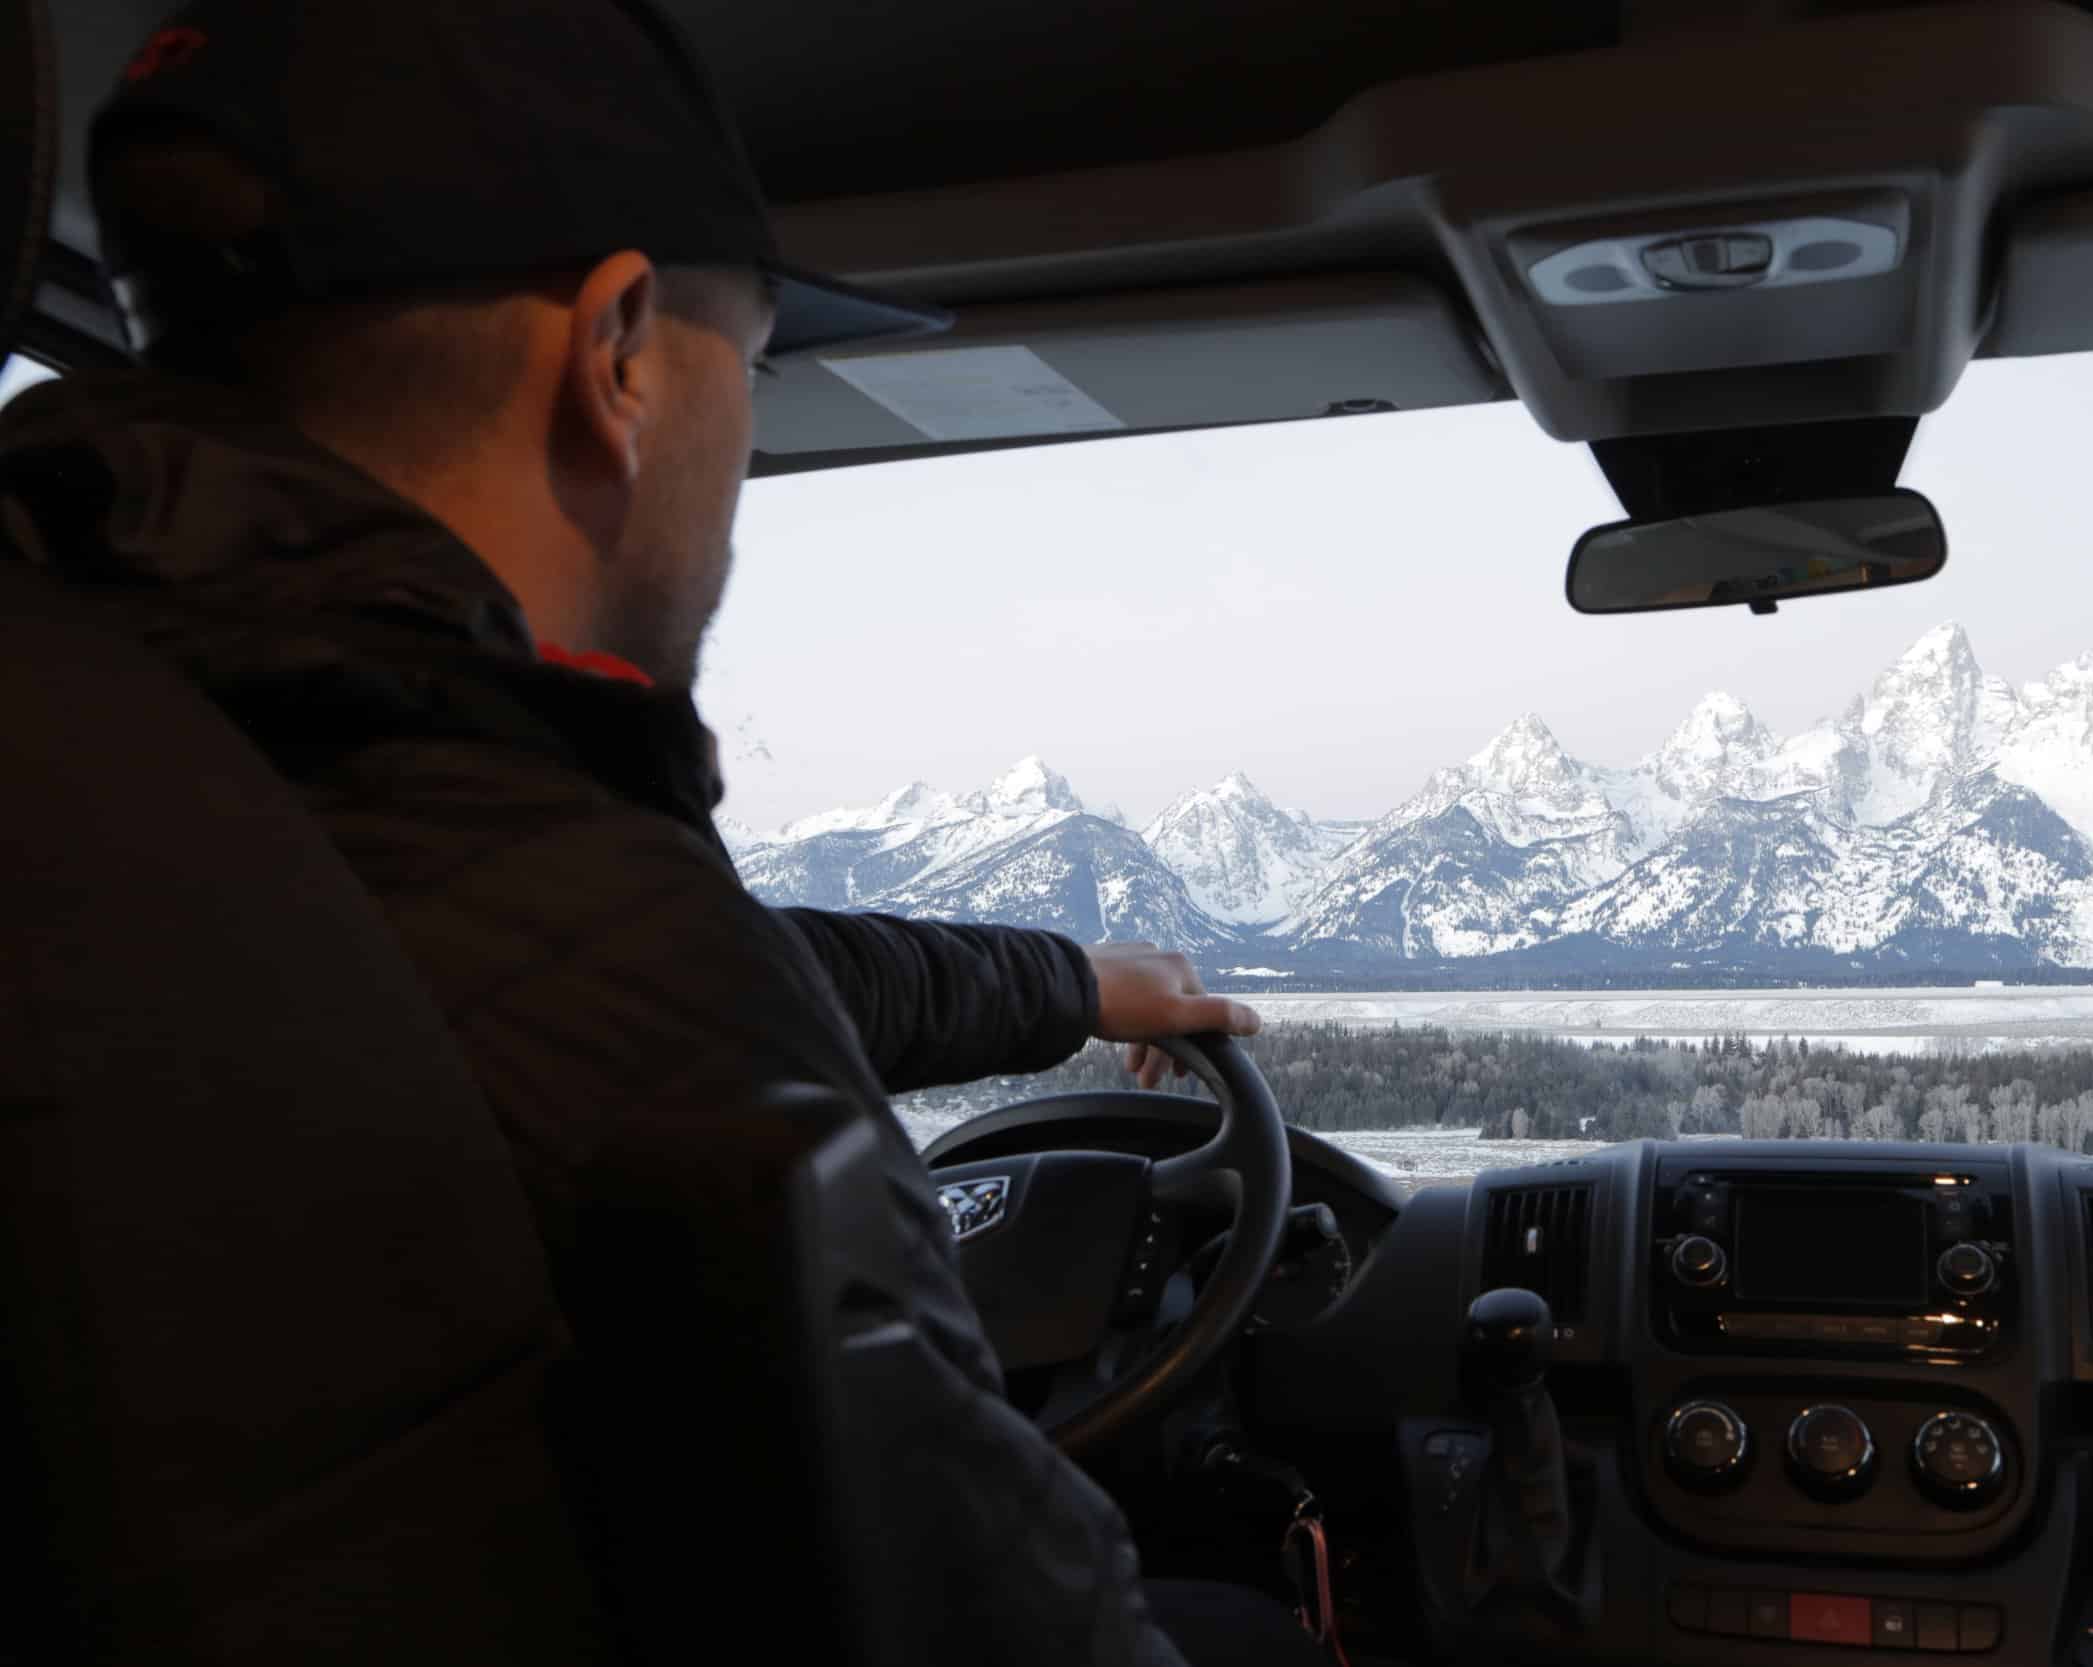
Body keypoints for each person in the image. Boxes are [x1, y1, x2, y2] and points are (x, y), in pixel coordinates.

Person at [0, 2, 1326, 1663]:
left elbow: (615, 973)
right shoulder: (586, 941)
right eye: (748, 369)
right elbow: (1014, 1607)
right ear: (618, 352)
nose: (744, 454)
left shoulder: (168, 727)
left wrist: (1067, 984)